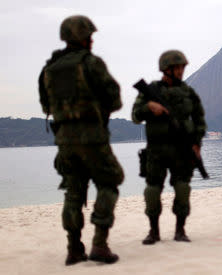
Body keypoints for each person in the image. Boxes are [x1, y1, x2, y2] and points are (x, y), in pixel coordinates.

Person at [38, 15, 124, 264]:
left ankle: (74, 248)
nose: (92, 41)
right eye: (89, 36)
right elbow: (115, 99)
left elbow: (46, 105)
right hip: (92, 137)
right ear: (82, 38)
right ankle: (99, 244)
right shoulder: (91, 64)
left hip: (64, 139)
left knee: (73, 192)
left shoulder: (49, 69)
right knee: (110, 181)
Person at [132, 50, 207, 244]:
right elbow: (135, 116)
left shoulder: (189, 92)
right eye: (178, 67)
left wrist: (197, 143)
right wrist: (149, 107)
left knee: (183, 188)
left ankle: (180, 230)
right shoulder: (151, 90)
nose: (182, 71)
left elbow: (199, 119)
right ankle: (153, 231)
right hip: (156, 151)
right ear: (167, 69)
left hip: (182, 150)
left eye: (183, 67)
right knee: (152, 191)